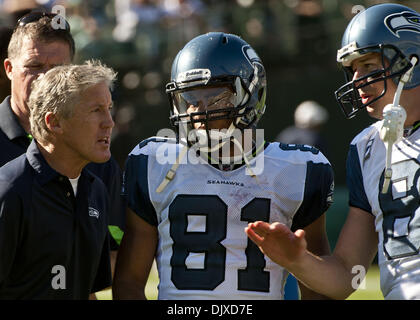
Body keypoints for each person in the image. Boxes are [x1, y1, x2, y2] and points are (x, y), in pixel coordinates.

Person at [113, 32, 334, 300]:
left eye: (214, 97)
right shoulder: (153, 163)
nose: (197, 112)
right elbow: (128, 284)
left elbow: (319, 289)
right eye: (191, 98)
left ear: (252, 95)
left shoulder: (298, 170)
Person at [246, 3, 420, 300]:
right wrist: (296, 260)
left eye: (368, 65)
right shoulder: (367, 147)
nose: (356, 80)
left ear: (410, 63)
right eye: (352, 69)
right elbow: (346, 277)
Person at [0, 11, 125, 275]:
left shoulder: (98, 160)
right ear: (9, 68)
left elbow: (107, 259)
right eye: (34, 66)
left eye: (57, 70)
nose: (45, 78)